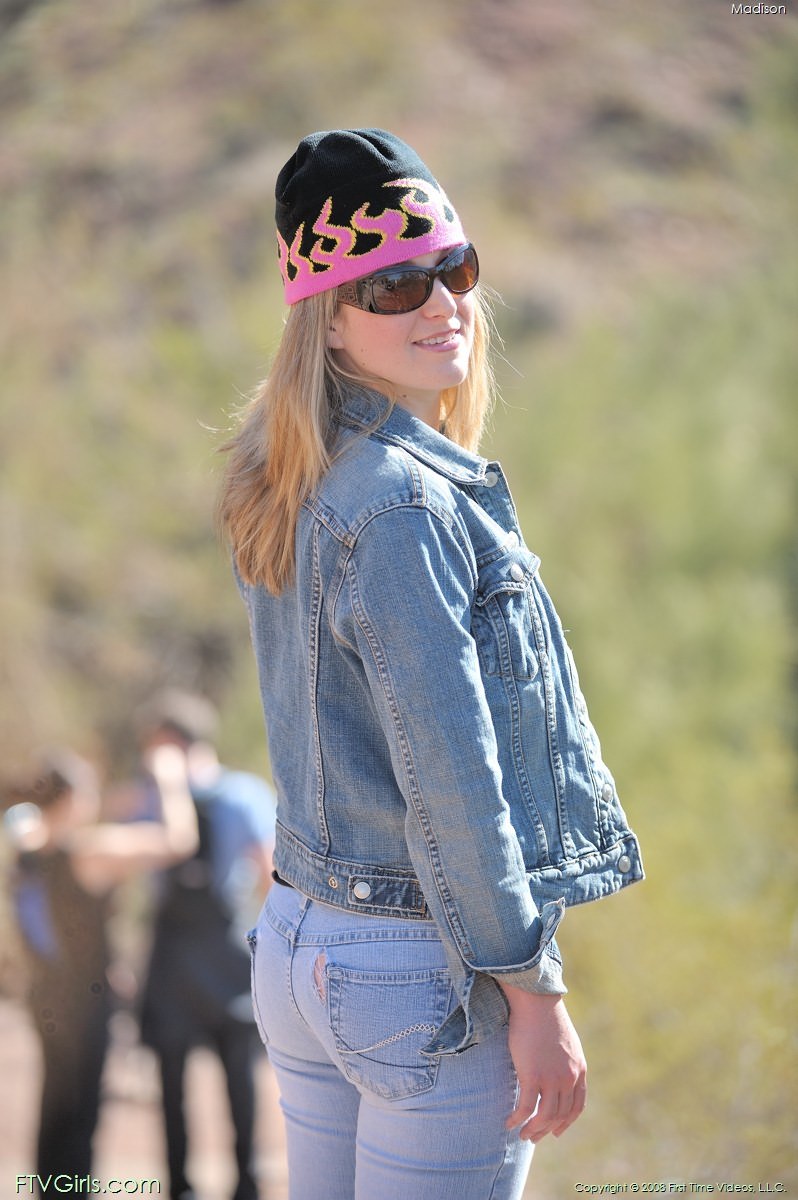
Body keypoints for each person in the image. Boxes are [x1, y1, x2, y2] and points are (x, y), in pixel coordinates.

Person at [218, 128, 644, 1200]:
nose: (442, 303)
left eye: (454, 268)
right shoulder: (403, 506)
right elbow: (452, 780)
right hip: (419, 973)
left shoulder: (291, 474)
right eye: (395, 286)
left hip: (303, 944)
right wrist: (532, 992)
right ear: (327, 317)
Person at [3, 744, 198, 1194]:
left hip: (45, 1002)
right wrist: (171, 781)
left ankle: (48, 1190)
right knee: (80, 1118)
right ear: (72, 799)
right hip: (85, 1007)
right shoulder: (89, 851)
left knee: (52, 1111)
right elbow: (178, 841)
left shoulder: (28, 849)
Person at [131, 690, 276, 1200]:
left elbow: (268, 874)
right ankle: (198, 1186)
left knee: (237, 1080)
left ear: (170, 743)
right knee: (174, 1084)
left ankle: (238, 1185)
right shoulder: (153, 798)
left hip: (222, 955)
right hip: (177, 955)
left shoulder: (236, 795)